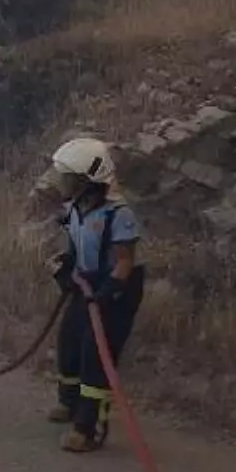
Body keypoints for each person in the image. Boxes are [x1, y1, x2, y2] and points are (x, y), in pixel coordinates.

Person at [46, 137, 145, 453]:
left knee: (95, 355)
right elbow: (77, 248)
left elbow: (125, 262)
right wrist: (66, 268)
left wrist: (105, 295)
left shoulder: (118, 214)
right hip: (88, 282)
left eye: (69, 177)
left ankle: (90, 428)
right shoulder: (75, 207)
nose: (62, 182)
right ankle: (70, 403)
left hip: (116, 288)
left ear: (89, 181)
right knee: (69, 342)